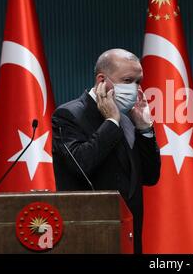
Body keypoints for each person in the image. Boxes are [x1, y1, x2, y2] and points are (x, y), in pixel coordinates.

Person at [52, 49, 161, 254]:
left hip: (129, 238)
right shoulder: (69, 114)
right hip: (89, 238)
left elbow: (150, 176)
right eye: (128, 80)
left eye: (138, 82)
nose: (135, 89)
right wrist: (111, 122)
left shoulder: (131, 115)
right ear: (102, 79)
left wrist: (145, 130)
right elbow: (80, 165)